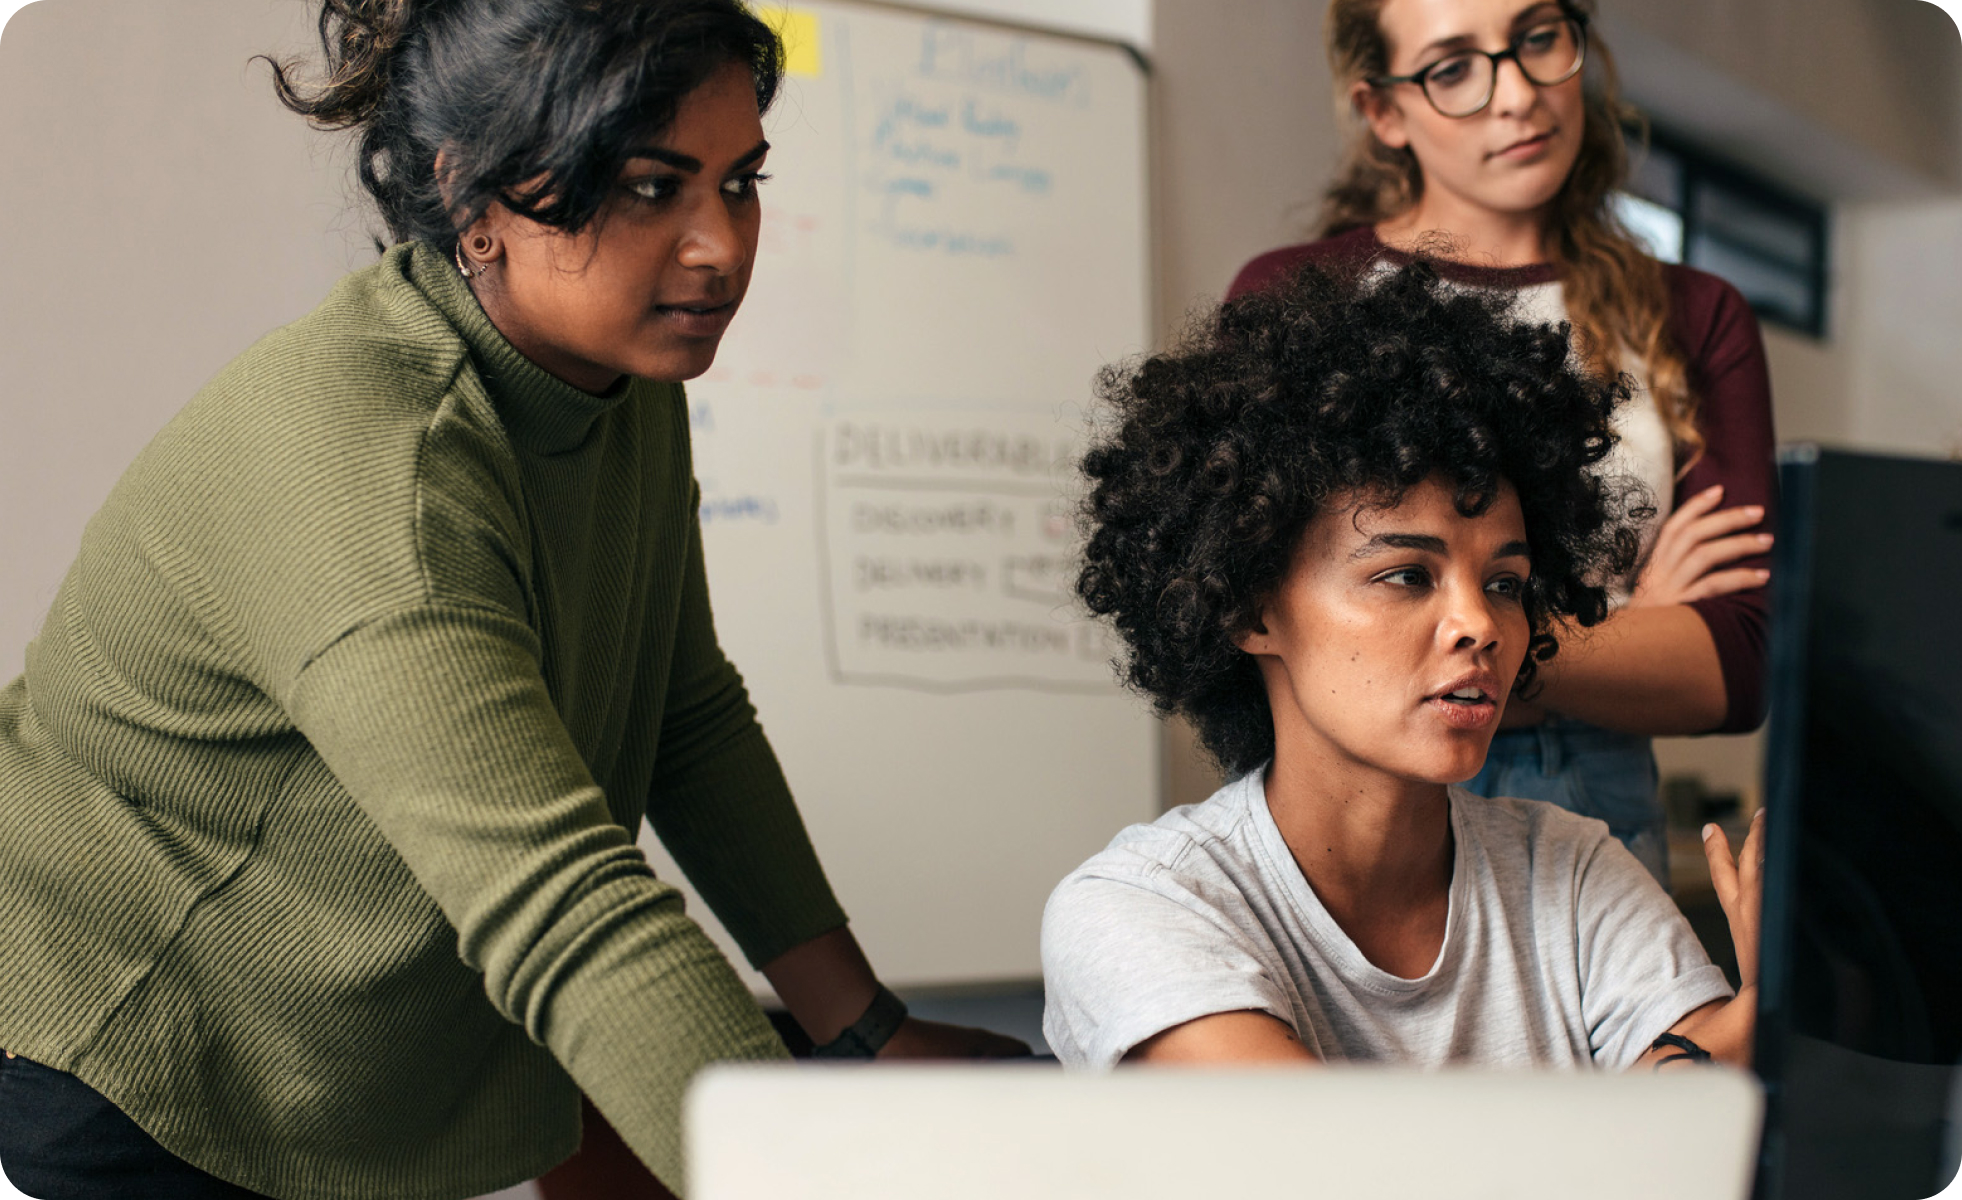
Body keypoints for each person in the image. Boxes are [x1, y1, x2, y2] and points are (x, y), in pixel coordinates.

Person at [0, 3, 1018, 1199]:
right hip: (129, 1055)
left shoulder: (613, 379)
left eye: (739, 182)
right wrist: (809, 1175)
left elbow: (683, 713)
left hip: (334, 1071)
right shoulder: (380, 465)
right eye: (650, 188)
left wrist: (867, 1032)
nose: (719, 247)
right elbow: (561, 901)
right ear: (472, 199)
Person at [1042, 260, 1762, 1071]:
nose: (1480, 625)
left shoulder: (1573, 866)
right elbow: (1350, 1169)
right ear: (1248, 608)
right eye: (1406, 576)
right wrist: (1716, 1057)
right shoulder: (1140, 905)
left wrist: (1760, 1027)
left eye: (1505, 584)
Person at [1226, 0, 1776, 885]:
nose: (1517, 94)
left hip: (1590, 804)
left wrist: (1405, 644)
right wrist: (1629, 630)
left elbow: (1737, 669)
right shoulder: (1298, 296)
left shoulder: (1693, 317)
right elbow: (1250, 621)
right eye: (1452, 68)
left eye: (1537, 39)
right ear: (1383, 111)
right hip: (1338, 810)